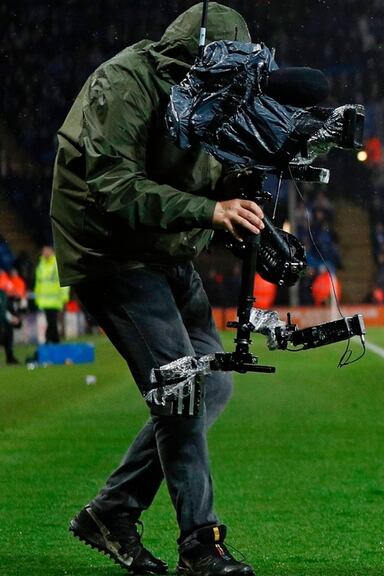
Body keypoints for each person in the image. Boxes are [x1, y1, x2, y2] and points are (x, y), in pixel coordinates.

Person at [51, 4, 262, 575]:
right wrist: (208, 211)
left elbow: (220, 170)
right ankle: (200, 543)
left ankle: (113, 510)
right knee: (183, 389)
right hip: (110, 252)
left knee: (211, 384)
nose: (237, 80)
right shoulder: (123, 83)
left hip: (167, 248)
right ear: (198, 60)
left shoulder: (212, 91)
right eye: (229, 66)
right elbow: (114, 187)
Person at [34, 246, 69, 343]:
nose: (44, 253)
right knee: (51, 322)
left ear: (51, 251)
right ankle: (54, 341)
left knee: (52, 322)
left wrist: (64, 297)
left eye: (46, 251)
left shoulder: (56, 264)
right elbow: (38, 283)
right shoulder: (41, 264)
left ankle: (50, 340)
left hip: (55, 300)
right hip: (44, 300)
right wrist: (37, 297)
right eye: (43, 251)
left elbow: (64, 281)